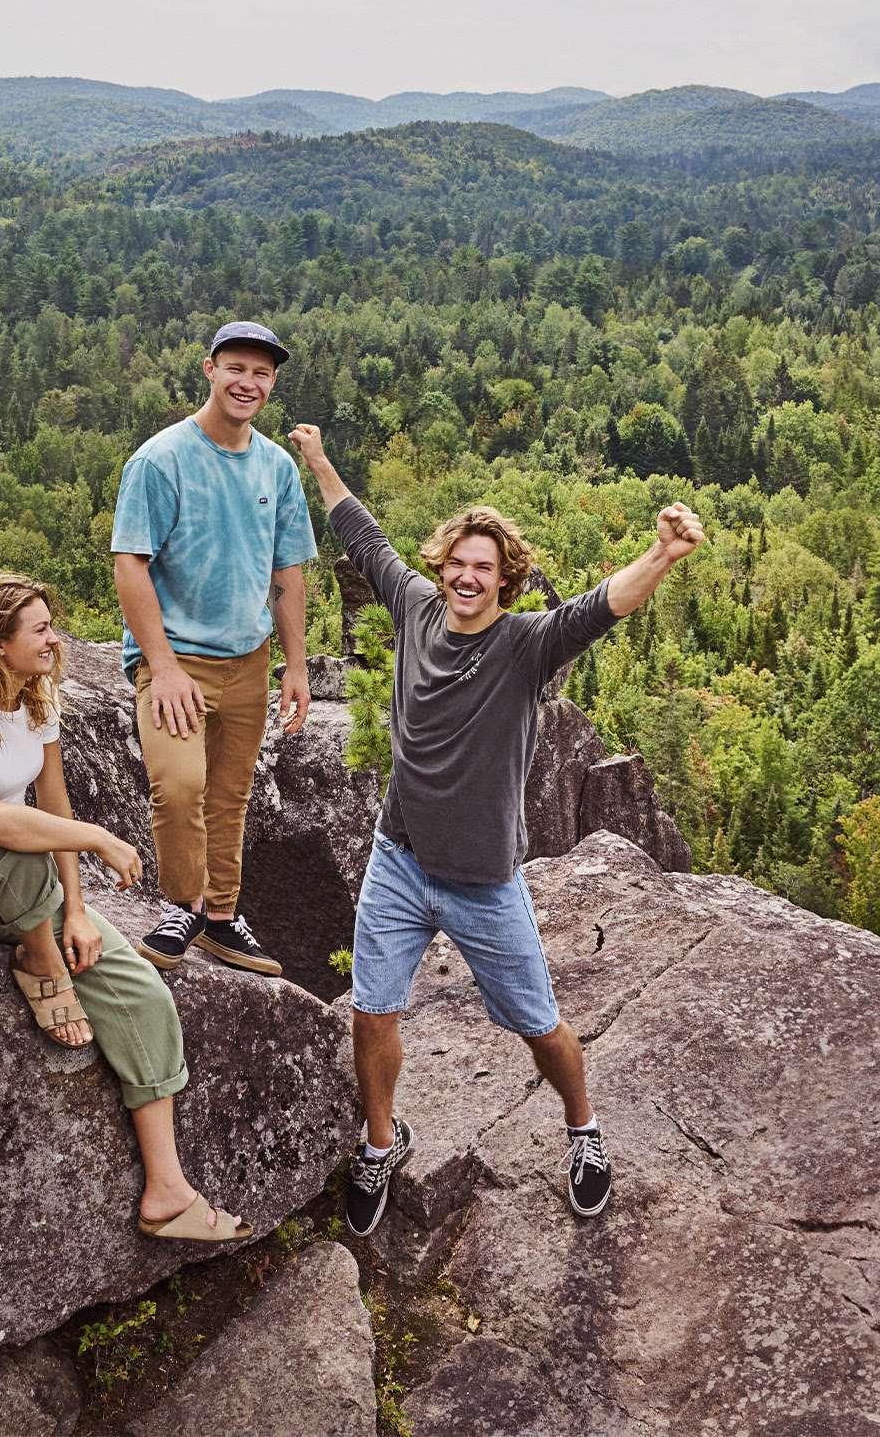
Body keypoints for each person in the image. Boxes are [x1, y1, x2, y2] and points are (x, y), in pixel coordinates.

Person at [288, 422, 706, 1233]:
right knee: (373, 1010)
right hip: (399, 859)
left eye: (485, 567)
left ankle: (584, 1132)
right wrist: (318, 460)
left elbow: (599, 607)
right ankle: (383, 1141)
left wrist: (661, 556)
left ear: (506, 581)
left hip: (484, 880)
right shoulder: (413, 606)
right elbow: (360, 530)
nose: (468, 576)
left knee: (540, 1025)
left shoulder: (525, 645)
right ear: (442, 566)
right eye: (459, 562)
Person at [0, 572, 246, 1241]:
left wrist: (79, 911)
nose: (52, 639)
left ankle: (167, 1191)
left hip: (27, 885)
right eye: (37, 628)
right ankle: (41, 966)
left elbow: (53, 805)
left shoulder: (38, 704)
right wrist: (95, 837)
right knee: (17, 833)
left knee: (142, 992)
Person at [112, 321, 318, 976]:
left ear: (273, 382)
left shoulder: (276, 468)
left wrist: (297, 666)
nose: (247, 383)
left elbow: (288, 575)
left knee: (229, 796)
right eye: (236, 368)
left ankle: (222, 917)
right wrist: (163, 665)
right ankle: (184, 905)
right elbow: (130, 563)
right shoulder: (161, 459)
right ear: (208, 369)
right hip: (178, 659)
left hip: (249, 660)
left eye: (260, 373)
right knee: (179, 787)